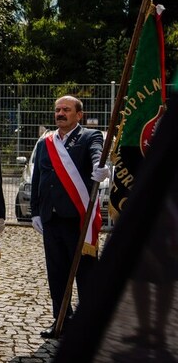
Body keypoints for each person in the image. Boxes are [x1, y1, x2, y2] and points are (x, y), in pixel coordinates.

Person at [30, 95, 110, 338]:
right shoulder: (45, 142)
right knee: (57, 273)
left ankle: (88, 325)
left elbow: (97, 153)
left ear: (79, 114)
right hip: (51, 219)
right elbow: (38, 180)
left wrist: (99, 167)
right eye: (57, 110)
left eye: (66, 109)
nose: (60, 113)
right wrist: (35, 211)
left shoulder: (89, 136)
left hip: (78, 220)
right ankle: (61, 321)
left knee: (86, 273)